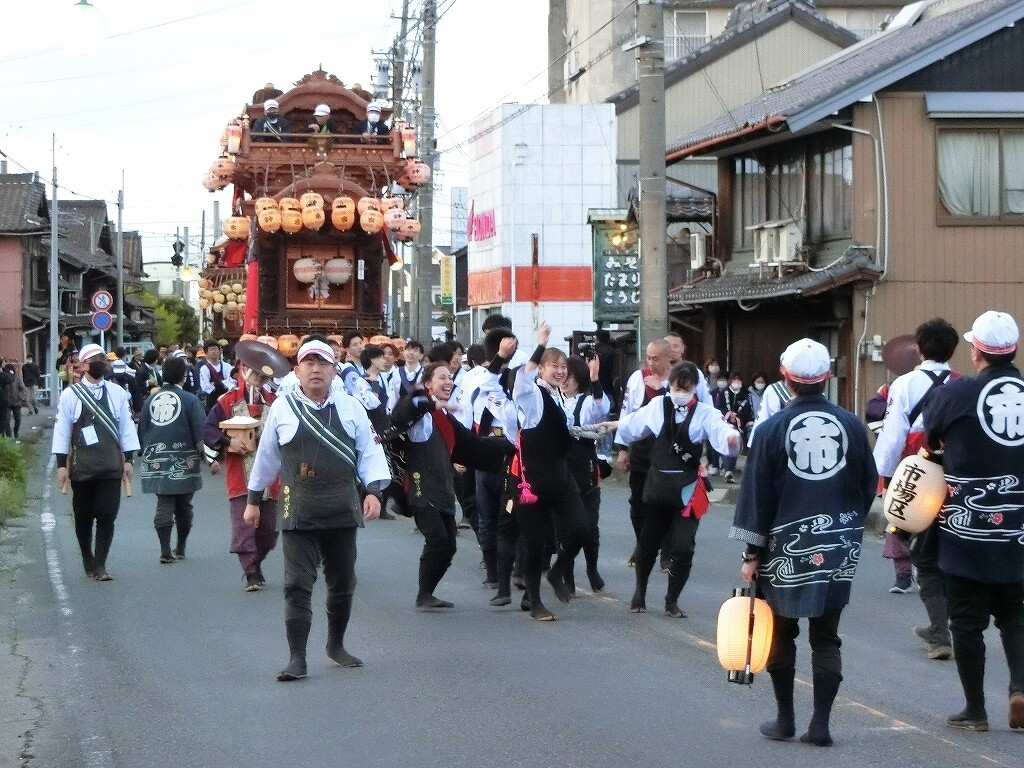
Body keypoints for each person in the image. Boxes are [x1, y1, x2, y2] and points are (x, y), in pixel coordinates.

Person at [731, 338, 877, 747]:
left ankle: (785, 720)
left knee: (781, 633)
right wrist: (846, 524)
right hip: (838, 543)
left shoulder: (770, 429)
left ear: (785, 376)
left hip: (785, 546)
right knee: (826, 637)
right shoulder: (852, 425)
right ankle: (821, 726)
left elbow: (757, 496)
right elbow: (868, 485)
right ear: (826, 377)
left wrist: (751, 554)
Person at [244, 338, 391, 681]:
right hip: (299, 508)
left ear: (334, 370)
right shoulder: (283, 407)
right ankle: (297, 658)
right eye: (308, 363)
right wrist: (253, 501)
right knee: (297, 584)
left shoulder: (351, 407)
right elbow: (266, 458)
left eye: (323, 363)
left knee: (343, 583)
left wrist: (373, 492)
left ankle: (336, 645)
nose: (315, 369)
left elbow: (370, 451)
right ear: (296, 370)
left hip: (342, 506)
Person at [923, 310, 1024, 732]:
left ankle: (976, 710)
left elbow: (930, 435)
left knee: (966, 621)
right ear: (1013, 350)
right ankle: (1019, 688)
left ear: (976, 351)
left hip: (967, 527)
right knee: (1016, 614)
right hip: (1019, 527)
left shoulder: (956, 392)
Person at [607, 361, 741, 618]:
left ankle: (672, 600)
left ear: (694, 388)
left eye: (686, 388)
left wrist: (731, 439)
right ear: (670, 385)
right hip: (658, 487)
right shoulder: (659, 405)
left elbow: (722, 433)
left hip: (687, 490)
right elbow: (634, 423)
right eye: (677, 388)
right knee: (648, 544)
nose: (680, 393)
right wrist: (613, 426)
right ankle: (640, 591)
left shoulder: (705, 413)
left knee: (683, 548)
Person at [390, 362, 514, 610]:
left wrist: (511, 446)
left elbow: (471, 444)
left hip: (442, 486)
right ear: (428, 384)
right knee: (437, 540)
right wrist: (434, 404)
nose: (448, 382)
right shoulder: (418, 408)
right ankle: (423, 595)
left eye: (450, 378)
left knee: (449, 545)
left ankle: (427, 593)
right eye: (442, 378)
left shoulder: (445, 417)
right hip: (420, 487)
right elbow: (405, 410)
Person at [873, 319, 958, 663]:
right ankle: (954, 623)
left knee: (924, 553)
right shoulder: (962, 384)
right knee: (952, 546)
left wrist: (885, 478)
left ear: (919, 350)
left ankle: (940, 630)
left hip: (917, 475)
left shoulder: (904, 384)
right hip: (956, 476)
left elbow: (893, 434)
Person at [512, 323, 588, 621]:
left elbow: (566, 431)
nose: (560, 371)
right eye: (553, 366)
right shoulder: (532, 397)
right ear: (542, 369)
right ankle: (534, 601)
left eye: (563, 367)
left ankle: (558, 571)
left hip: (560, 476)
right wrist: (541, 344)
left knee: (580, 528)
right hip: (533, 481)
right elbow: (523, 379)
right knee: (535, 543)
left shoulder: (560, 397)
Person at [51, 344, 140, 581]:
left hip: (111, 466)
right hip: (82, 467)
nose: (101, 363)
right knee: (83, 518)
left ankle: (100, 564)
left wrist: (129, 460)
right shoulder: (71, 395)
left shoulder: (117, 393)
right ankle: (87, 557)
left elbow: (127, 427)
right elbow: (62, 431)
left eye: (103, 358)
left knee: (107, 514)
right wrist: (61, 465)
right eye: (95, 360)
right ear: (82, 365)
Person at [203, 349, 280, 591]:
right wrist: (229, 442)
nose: (260, 377)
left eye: (264, 375)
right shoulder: (228, 400)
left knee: (269, 531)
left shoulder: (275, 402)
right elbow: (208, 429)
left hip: (271, 477)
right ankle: (250, 572)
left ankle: (256, 561)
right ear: (243, 370)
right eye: (255, 372)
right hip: (240, 473)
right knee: (244, 526)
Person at [138, 355, 211, 563]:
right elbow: (201, 432)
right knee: (184, 505)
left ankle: (165, 550)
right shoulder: (190, 399)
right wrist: (209, 458)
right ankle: (180, 547)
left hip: (156, 456)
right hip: (184, 458)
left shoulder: (150, 400)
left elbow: (143, 429)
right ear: (184, 376)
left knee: (164, 501)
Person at [615, 339, 672, 566]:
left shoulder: (678, 379)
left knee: (665, 503)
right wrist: (622, 448)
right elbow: (626, 413)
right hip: (642, 449)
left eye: (656, 359)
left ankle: (667, 552)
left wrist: (663, 390)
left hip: (668, 451)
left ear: (668, 358)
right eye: (648, 358)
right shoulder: (638, 379)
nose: (651, 363)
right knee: (638, 502)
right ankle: (642, 547)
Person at [561, 354, 610, 593]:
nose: (564, 379)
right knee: (566, 527)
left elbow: (602, 410)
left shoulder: (587, 402)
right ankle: (567, 573)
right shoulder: (553, 400)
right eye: (561, 373)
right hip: (562, 468)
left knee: (590, 525)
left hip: (585, 468)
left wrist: (595, 378)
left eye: (569, 375)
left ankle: (592, 568)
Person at [714, 371, 748, 483]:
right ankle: (728, 469)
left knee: (735, 446)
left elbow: (748, 410)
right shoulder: (723, 393)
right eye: (734, 380)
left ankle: (730, 470)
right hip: (725, 423)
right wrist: (729, 415)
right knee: (727, 444)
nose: (736, 382)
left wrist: (738, 417)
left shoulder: (745, 394)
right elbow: (719, 407)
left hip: (738, 424)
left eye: (738, 380)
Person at [199, 339, 236, 412]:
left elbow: (232, 382)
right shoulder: (204, 369)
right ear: (206, 353)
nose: (213, 352)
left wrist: (217, 384)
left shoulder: (227, 366)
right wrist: (221, 384)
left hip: (226, 399)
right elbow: (205, 386)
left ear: (220, 351)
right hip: (212, 401)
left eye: (215, 349)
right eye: (211, 349)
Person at [4, 363, 28, 441]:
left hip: (16, 402)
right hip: (6, 402)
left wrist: (19, 396)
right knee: (6, 420)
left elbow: (23, 389)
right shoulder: (4, 380)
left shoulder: (17, 379)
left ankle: (16, 431)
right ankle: (8, 434)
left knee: (18, 419)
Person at [133, 349, 161, 414]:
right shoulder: (143, 370)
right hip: (146, 398)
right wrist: (148, 382)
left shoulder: (153, 368)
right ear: (153, 359)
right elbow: (137, 385)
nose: (157, 360)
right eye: (157, 358)